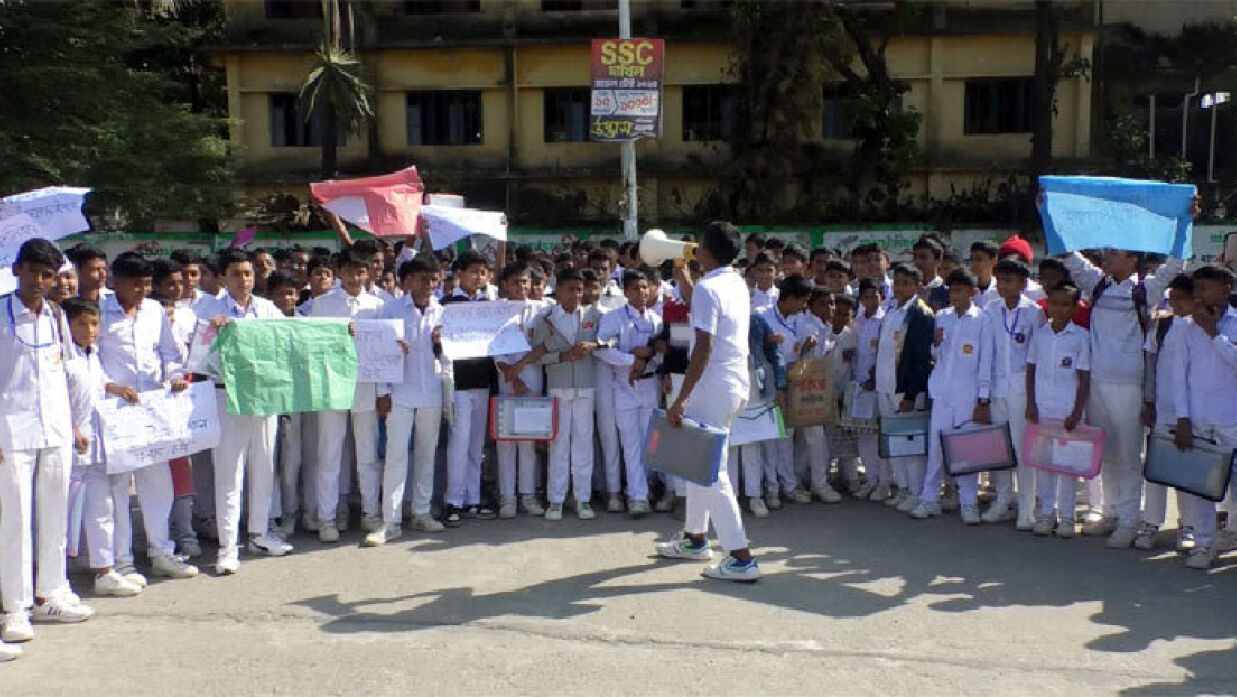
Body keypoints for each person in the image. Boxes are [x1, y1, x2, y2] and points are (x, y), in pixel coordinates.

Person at [655, 221, 761, 583]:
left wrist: (681, 398)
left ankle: (741, 556)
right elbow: (704, 307)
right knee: (698, 464)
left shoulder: (707, 289)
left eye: (698, 244)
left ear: (707, 251)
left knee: (710, 469)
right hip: (732, 384)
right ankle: (695, 538)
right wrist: (684, 277)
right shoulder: (733, 282)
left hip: (712, 385)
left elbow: (703, 345)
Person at [0, 239, 93, 647]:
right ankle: (15, 608)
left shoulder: (56, 316)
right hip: (11, 432)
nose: (40, 281)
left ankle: (51, 593)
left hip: (55, 428)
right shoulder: (2, 315)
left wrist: (77, 423)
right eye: (34, 272)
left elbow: (71, 374)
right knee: (15, 520)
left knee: (56, 512)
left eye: (47, 275)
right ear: (17, 269)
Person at [1063, 248, 1183, 547]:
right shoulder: (1097, 284)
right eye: (1107, 254)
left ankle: (1130, 519)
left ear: (1133, 261)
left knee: (1130, 455)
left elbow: (1176, 265)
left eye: (1115, 255)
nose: (1108, 259)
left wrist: (1185, 219)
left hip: (1130, 384)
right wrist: (1046, 210)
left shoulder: (1147, 289)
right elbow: (1069, 256)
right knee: (1107, 453)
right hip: (1098, 382)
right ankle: (1111, 512)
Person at [97, 254, 199, 581]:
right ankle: (123, 560)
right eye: (134, 283)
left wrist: (175, 377)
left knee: (158, 482)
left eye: (146, 283)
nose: (141, 290)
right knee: (118, 487)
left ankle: (161, 552)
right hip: (115, 409)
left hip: (153, 406)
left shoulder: (155, 311)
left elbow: (168, 354)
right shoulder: (99, 311)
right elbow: (90, 358)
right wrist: (109, 386)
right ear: (116, 281)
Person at [195, 248, 293, 574]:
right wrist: (211, 330)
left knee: (264, 466)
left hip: (265, 396)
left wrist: (341, 331)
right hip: (227, 397)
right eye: (236, 274)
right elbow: (195, 356)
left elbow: (293, 340)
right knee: (229, 472)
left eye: (248, 274)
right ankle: (227, 546)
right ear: (222, 277)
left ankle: (259, 533)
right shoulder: (207, 310)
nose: (243, 280)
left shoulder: (267, 309)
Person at [62, 297, 143, 598]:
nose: (89, 330)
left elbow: (99, 383)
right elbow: (56, 400)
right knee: (62, 515)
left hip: (94, 446)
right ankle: (54, 576)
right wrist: (72, 429)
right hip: (67, 449)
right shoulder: (63, 359)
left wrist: (117, 388)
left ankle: (104, 570)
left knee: (101, 508)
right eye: (81, 323)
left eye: (94, 323)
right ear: (67, 326)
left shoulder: (91, 355)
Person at [311, 249, 386, 542]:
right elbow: (315, 347)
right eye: (350, 271)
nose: (355, 278)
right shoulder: (321, 304)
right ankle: (327, 517)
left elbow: (384, 353)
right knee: (329, 453)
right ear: (340, 273)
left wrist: (383, 392)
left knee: (367, 453)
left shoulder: (378, 306)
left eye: (361, 272)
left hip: (366, 386)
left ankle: (371, 511)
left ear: (368, 273)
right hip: (332, 386)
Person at [371, 257, 447, 546]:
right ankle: (390, 521)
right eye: (422, 278)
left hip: (431, 391)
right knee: (395, 456)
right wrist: (382, 392)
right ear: (408, 281)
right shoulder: (390, 310)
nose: (428, 285)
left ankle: (422, 511)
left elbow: (450, 358)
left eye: (433, 279)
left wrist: (441, 345)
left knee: (427, 453)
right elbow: (377, 353)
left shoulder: (442, 312)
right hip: (399, 393)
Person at [1170, 266, 1237, 569]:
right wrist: (1182, 418)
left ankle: (1231, 534)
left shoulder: (1233, 323)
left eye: (1205, 289)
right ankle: (1204, 543)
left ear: (1225, 290)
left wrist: (1214, 334)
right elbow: (1177, 375)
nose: (1198, 296)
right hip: (1196, 418)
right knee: (1201, 486)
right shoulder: (1184, 326)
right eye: (1196, 290)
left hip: (1230, 418)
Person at [917, 269, 993, 524]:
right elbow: (936, 356)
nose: (955, 295)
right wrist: (935, 344)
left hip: (968, 397)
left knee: (965, 451)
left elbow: (985, 363)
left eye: (960, 290)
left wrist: (983, 400)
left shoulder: (983, 320)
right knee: (936, 448)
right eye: (952, 291)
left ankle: (968, 503)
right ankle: (929, 499)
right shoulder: (942, 317)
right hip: (942, 393)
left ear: (972, 293)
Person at [532, 268, 605, 520]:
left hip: (585, 386)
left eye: (579, 289)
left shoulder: (595, 315)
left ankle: (583, 499)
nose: (576, 294)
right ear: (559, 290)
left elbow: (613, 340)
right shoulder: (546, 318)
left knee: (583, 443)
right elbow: (536, 355)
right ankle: (556, 500)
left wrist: (594, 345)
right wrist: (562, 356)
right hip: (558, 386)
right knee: (559, 444)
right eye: (571, 289)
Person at [981, 258, 1046, 528]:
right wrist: (983, 395)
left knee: (1023, 450)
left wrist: (1034, 398)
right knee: (999, 449)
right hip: (997, 389)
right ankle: (1001, 501)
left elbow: (1038, 358)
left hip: (1022, 389)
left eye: (1009, 280)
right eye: (1000, 280)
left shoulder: (1033, 312)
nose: (1003, 285)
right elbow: (985, 355)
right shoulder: (990, 310)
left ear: (1022, 283)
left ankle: (1026, 508)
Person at [596, 269, 665, 517]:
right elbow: (602, 350)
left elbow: (660, 353)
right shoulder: (614, 318)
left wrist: (649, 358)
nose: (642, 292)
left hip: (650, 385)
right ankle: (637, 497)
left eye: (645, 287)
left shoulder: (656, 319)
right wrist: (630, 360)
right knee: (630, 444)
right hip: (624, 388)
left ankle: (644, 488)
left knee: (650, 443)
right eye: (636, 288)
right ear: (626, 292)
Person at [1025, 283, 1091, 538]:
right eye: (1055, 303)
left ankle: (1066, 517)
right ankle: (1045, 514)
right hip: (1042, 407)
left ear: (1075, 307)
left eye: (1066, 304)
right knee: (1044, 464)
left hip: (1067, 410)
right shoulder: (1040, 334)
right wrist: (1031, 403)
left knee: (1067, 466)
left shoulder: (1081, 337)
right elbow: (1030, 369)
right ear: (1047, 304)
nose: (1060, 309)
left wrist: (1076, 412)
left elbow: (1084, 377)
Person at [1135, 273, 1195, 552]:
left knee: (1188, 472)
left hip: (1193, 413)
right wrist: (1149, 402)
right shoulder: (1162, 325)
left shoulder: (1205, 329)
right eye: (1173, 299)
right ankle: (1151, 522)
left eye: (1182, 299)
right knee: (1157, 468)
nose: (1176, 304)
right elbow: (1151, 364)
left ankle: (1189, 525)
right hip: (1162, 408)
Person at [441, 250, 497, 526]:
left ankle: (473, 499)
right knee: (459, 442)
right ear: (459, 275)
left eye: (483, 272)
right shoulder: (447, 304)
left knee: (477, 444)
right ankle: (454, 500)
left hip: (482, 379)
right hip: (459, 380)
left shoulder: (491, 304)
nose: (479, 277)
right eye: (473, 271)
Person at [874, 264, 934, 513]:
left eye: (906, 283)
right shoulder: (891, 310)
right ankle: (903, 487)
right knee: (895, 442)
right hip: (885, 384)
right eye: (897, 283)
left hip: (905, 389)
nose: (900, 288)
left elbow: (921, 358)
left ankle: (917, 491)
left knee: (911, 444)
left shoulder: (921, 314)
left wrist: (911, 394)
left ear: (917, 286)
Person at [491, 263, 546, 519]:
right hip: (505, 381)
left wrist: (520, 369)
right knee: (505, 442)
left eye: (525, 282)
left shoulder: (541, 309)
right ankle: (507, 498)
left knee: (527, 442)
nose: (521, 287)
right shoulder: (497, 311)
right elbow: (493, 348)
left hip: (532, 378)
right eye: (516, 282)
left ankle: (528, 496)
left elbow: (544, 345)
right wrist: (510, 375)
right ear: (506, 285)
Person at [852, 278, 888, 501]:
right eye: (865, 296)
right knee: (864, 435)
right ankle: (871, 479)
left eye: (874, 296)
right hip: (859, 385)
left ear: (882, 297)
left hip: (878, 384)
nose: (870, 300)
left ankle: (884, 482)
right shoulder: (857, 321)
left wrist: (874, 376)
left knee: (880, 434)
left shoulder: (885, 320)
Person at [969, 240, 1000, 307]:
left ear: (993, 261)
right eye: (971, 259)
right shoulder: (965, 289)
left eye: (979, 259)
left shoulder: (1001, 290)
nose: (974, 264)